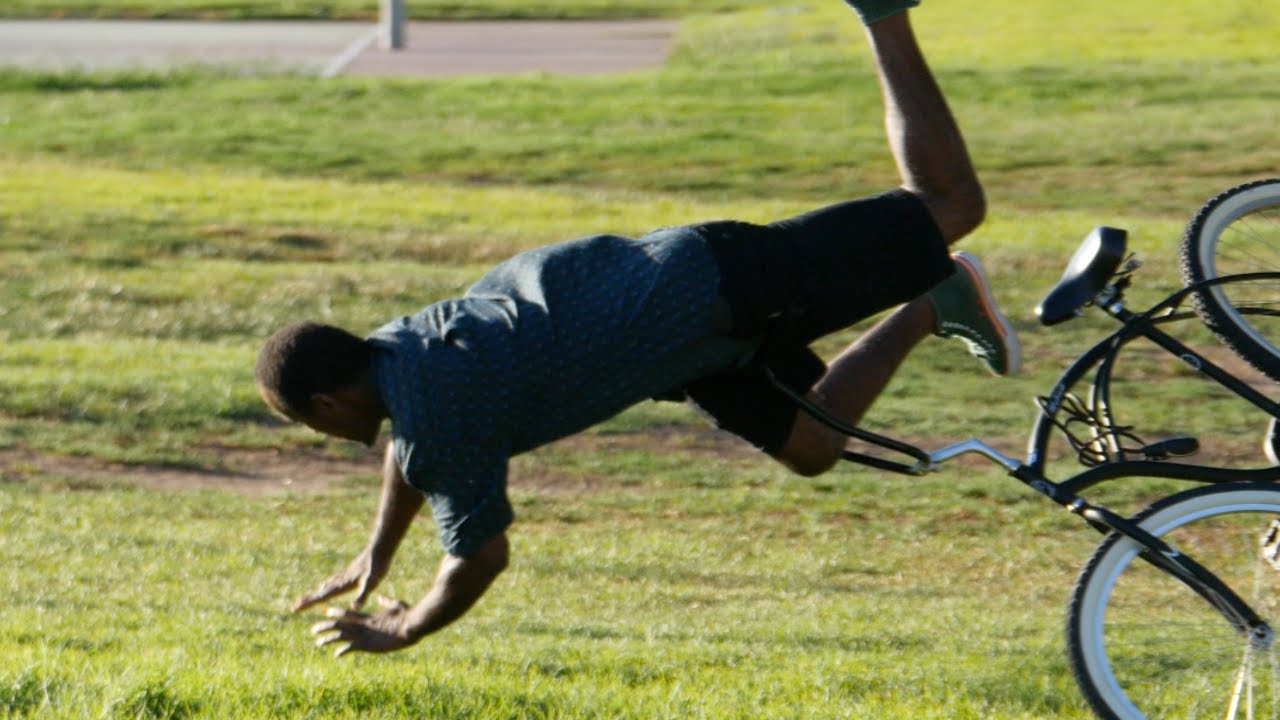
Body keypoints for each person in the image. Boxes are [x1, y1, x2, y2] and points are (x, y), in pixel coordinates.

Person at [254, 0, 1021, 657]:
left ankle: (880, 14)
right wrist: (377, 552)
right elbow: (414, 455)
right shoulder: (401, 347)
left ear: (326, 405)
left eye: (307, 425)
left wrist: (405, 629)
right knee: (812, 447)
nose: (324, 436)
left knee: (948, 205)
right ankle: (934, 299)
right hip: (680, 343)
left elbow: (478, 559)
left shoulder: (435, 415)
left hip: (712, 286)